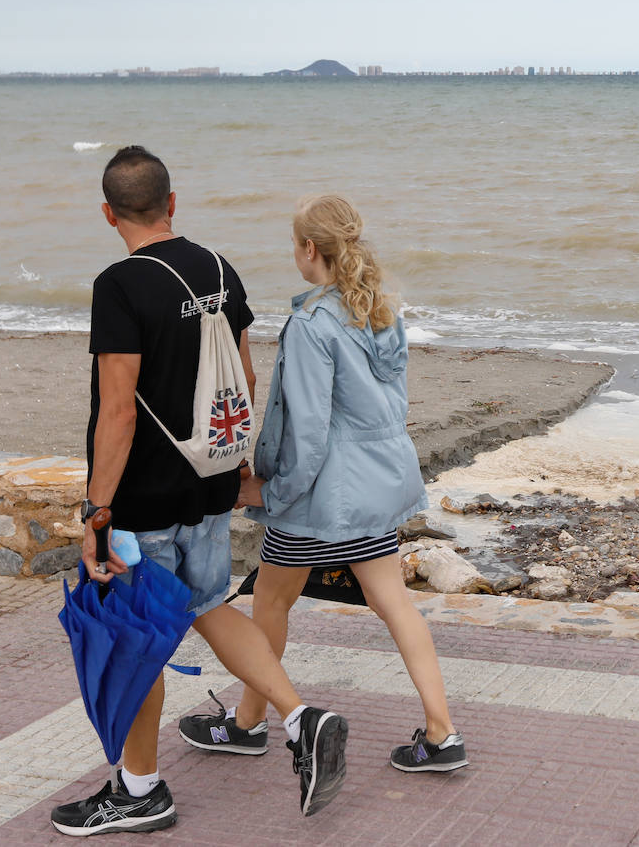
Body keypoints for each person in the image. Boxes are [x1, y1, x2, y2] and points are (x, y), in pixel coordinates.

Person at [51, 147, 348, 837]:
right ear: (172, 203)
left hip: (146, 499)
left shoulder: (119, 286)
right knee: (212, 603)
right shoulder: (217, 267)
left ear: (107, 214)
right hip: (211, 480)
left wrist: (97, 509)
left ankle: (141, 790)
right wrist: (230, 467)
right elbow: (242, 380)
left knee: (132, 640)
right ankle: (302, 718)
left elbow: (119, 410)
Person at [177, 194, 468, 774]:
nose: (294, 253)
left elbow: (307, 433)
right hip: (376, 488)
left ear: (310, 249)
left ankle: (248, 724)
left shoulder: (311, 325)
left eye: (295, 244)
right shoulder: (381, 310)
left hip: (321, 497)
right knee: (394, 603)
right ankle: (442, 732)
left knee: (270, 603)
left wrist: (273, 492)